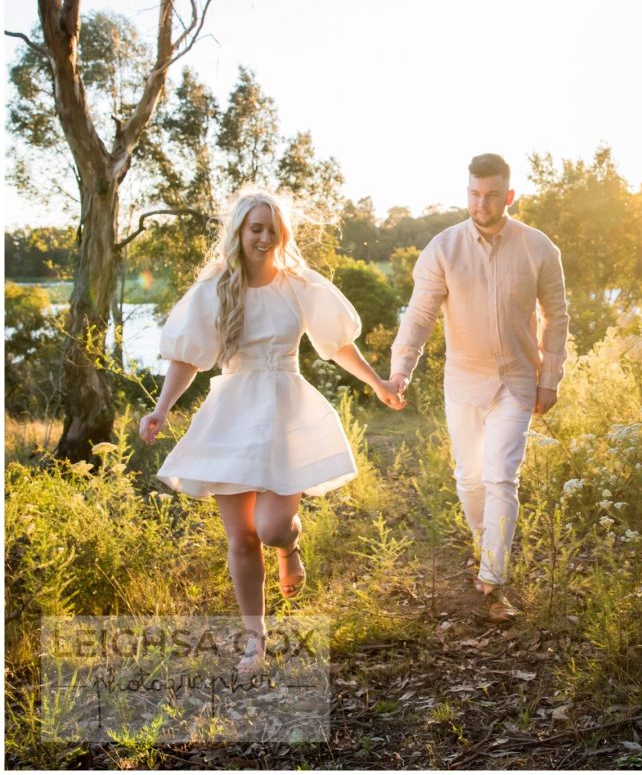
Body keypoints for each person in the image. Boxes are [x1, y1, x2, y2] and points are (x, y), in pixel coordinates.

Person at [139, 188, 405, 674]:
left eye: (271, 229)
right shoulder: (216, 288)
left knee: (271, 526)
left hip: (286, 411)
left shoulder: (299, 284)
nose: (264, 238)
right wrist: (160, 410)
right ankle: (254, 641)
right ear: (239, 232)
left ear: (283, 233)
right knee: (241, 538)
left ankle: (289, 547)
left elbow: (337, 344)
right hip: (234, 414)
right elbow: (187, 357)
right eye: (254, 228)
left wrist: (378, 383)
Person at [389, 153, 568, 623]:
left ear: (509, 196)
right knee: (469, 477)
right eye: (473, 194)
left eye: (491, 196)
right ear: (466, 191)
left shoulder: (539, 248)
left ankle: (493, 580)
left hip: (516, 378)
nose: (481, 204)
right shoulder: (443, 249)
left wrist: (549, 378)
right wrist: (400, 370)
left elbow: (556, 317)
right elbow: (420, 316)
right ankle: (484, 545)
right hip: (464, 380)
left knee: (501, 476)